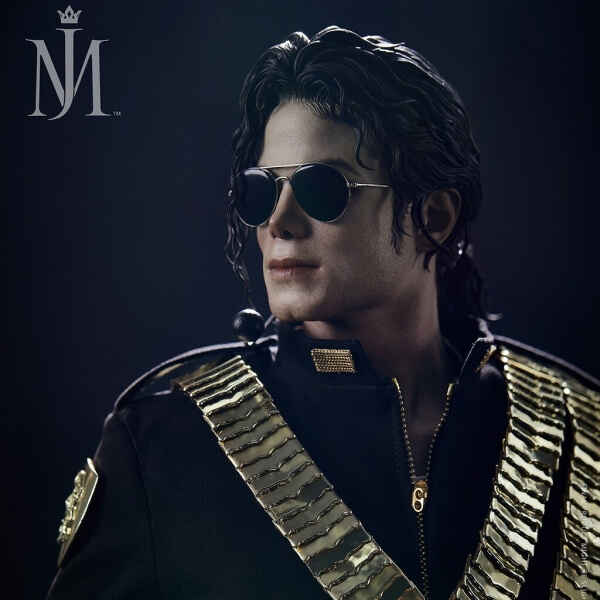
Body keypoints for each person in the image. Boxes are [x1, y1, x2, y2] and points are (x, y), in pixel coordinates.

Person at [47, 26, 599, 600]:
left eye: (322, 188)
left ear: (433, 217)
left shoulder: (580, 436)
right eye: (261, 191)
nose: (278, 223)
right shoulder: (162, 450)